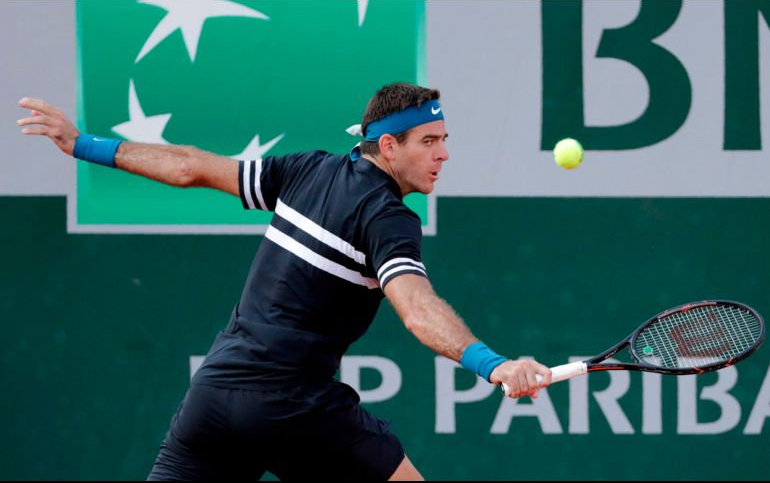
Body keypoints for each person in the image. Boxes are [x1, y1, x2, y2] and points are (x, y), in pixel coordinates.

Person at [17, 83, 552, 481]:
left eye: (444, 140)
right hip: (294, 404)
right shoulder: (389, 219)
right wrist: (494, 363)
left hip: (213, 397)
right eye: (429, 141)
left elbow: (191, 167)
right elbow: (416, 309)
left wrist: (81, 144)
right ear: (388, 147)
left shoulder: (306, 170)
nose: (444, 155)